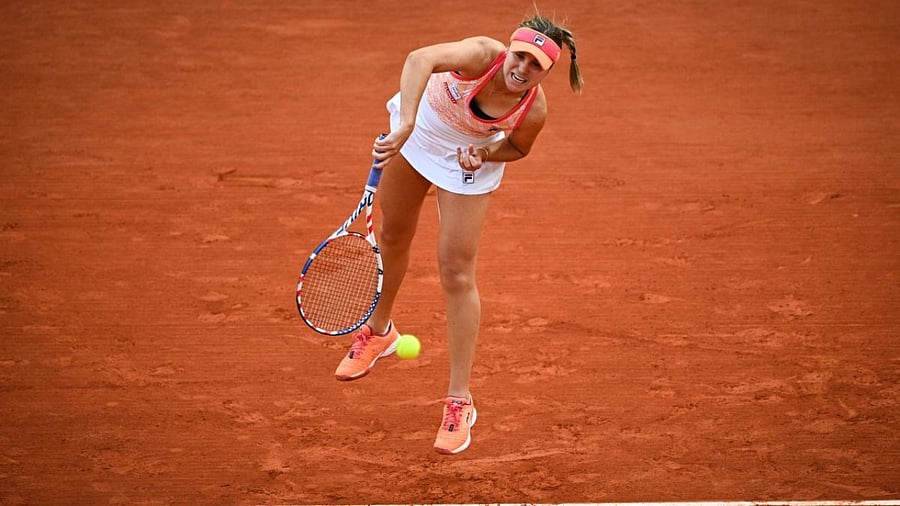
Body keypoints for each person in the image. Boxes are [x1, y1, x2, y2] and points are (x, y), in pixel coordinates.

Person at [333, 15, 583, 455]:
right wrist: (406, 121)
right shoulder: (482, 55)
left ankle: (459, 401)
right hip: (417, 135)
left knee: (456, 273)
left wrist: (485, 152)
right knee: (393, 236)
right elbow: (419, 58)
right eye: (520, 55)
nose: (523, 68)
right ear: (509, 48)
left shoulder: (534, 108)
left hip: (465, 163)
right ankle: (379, 332)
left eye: (536, 65)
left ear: (546, 72)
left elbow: (518, 147)